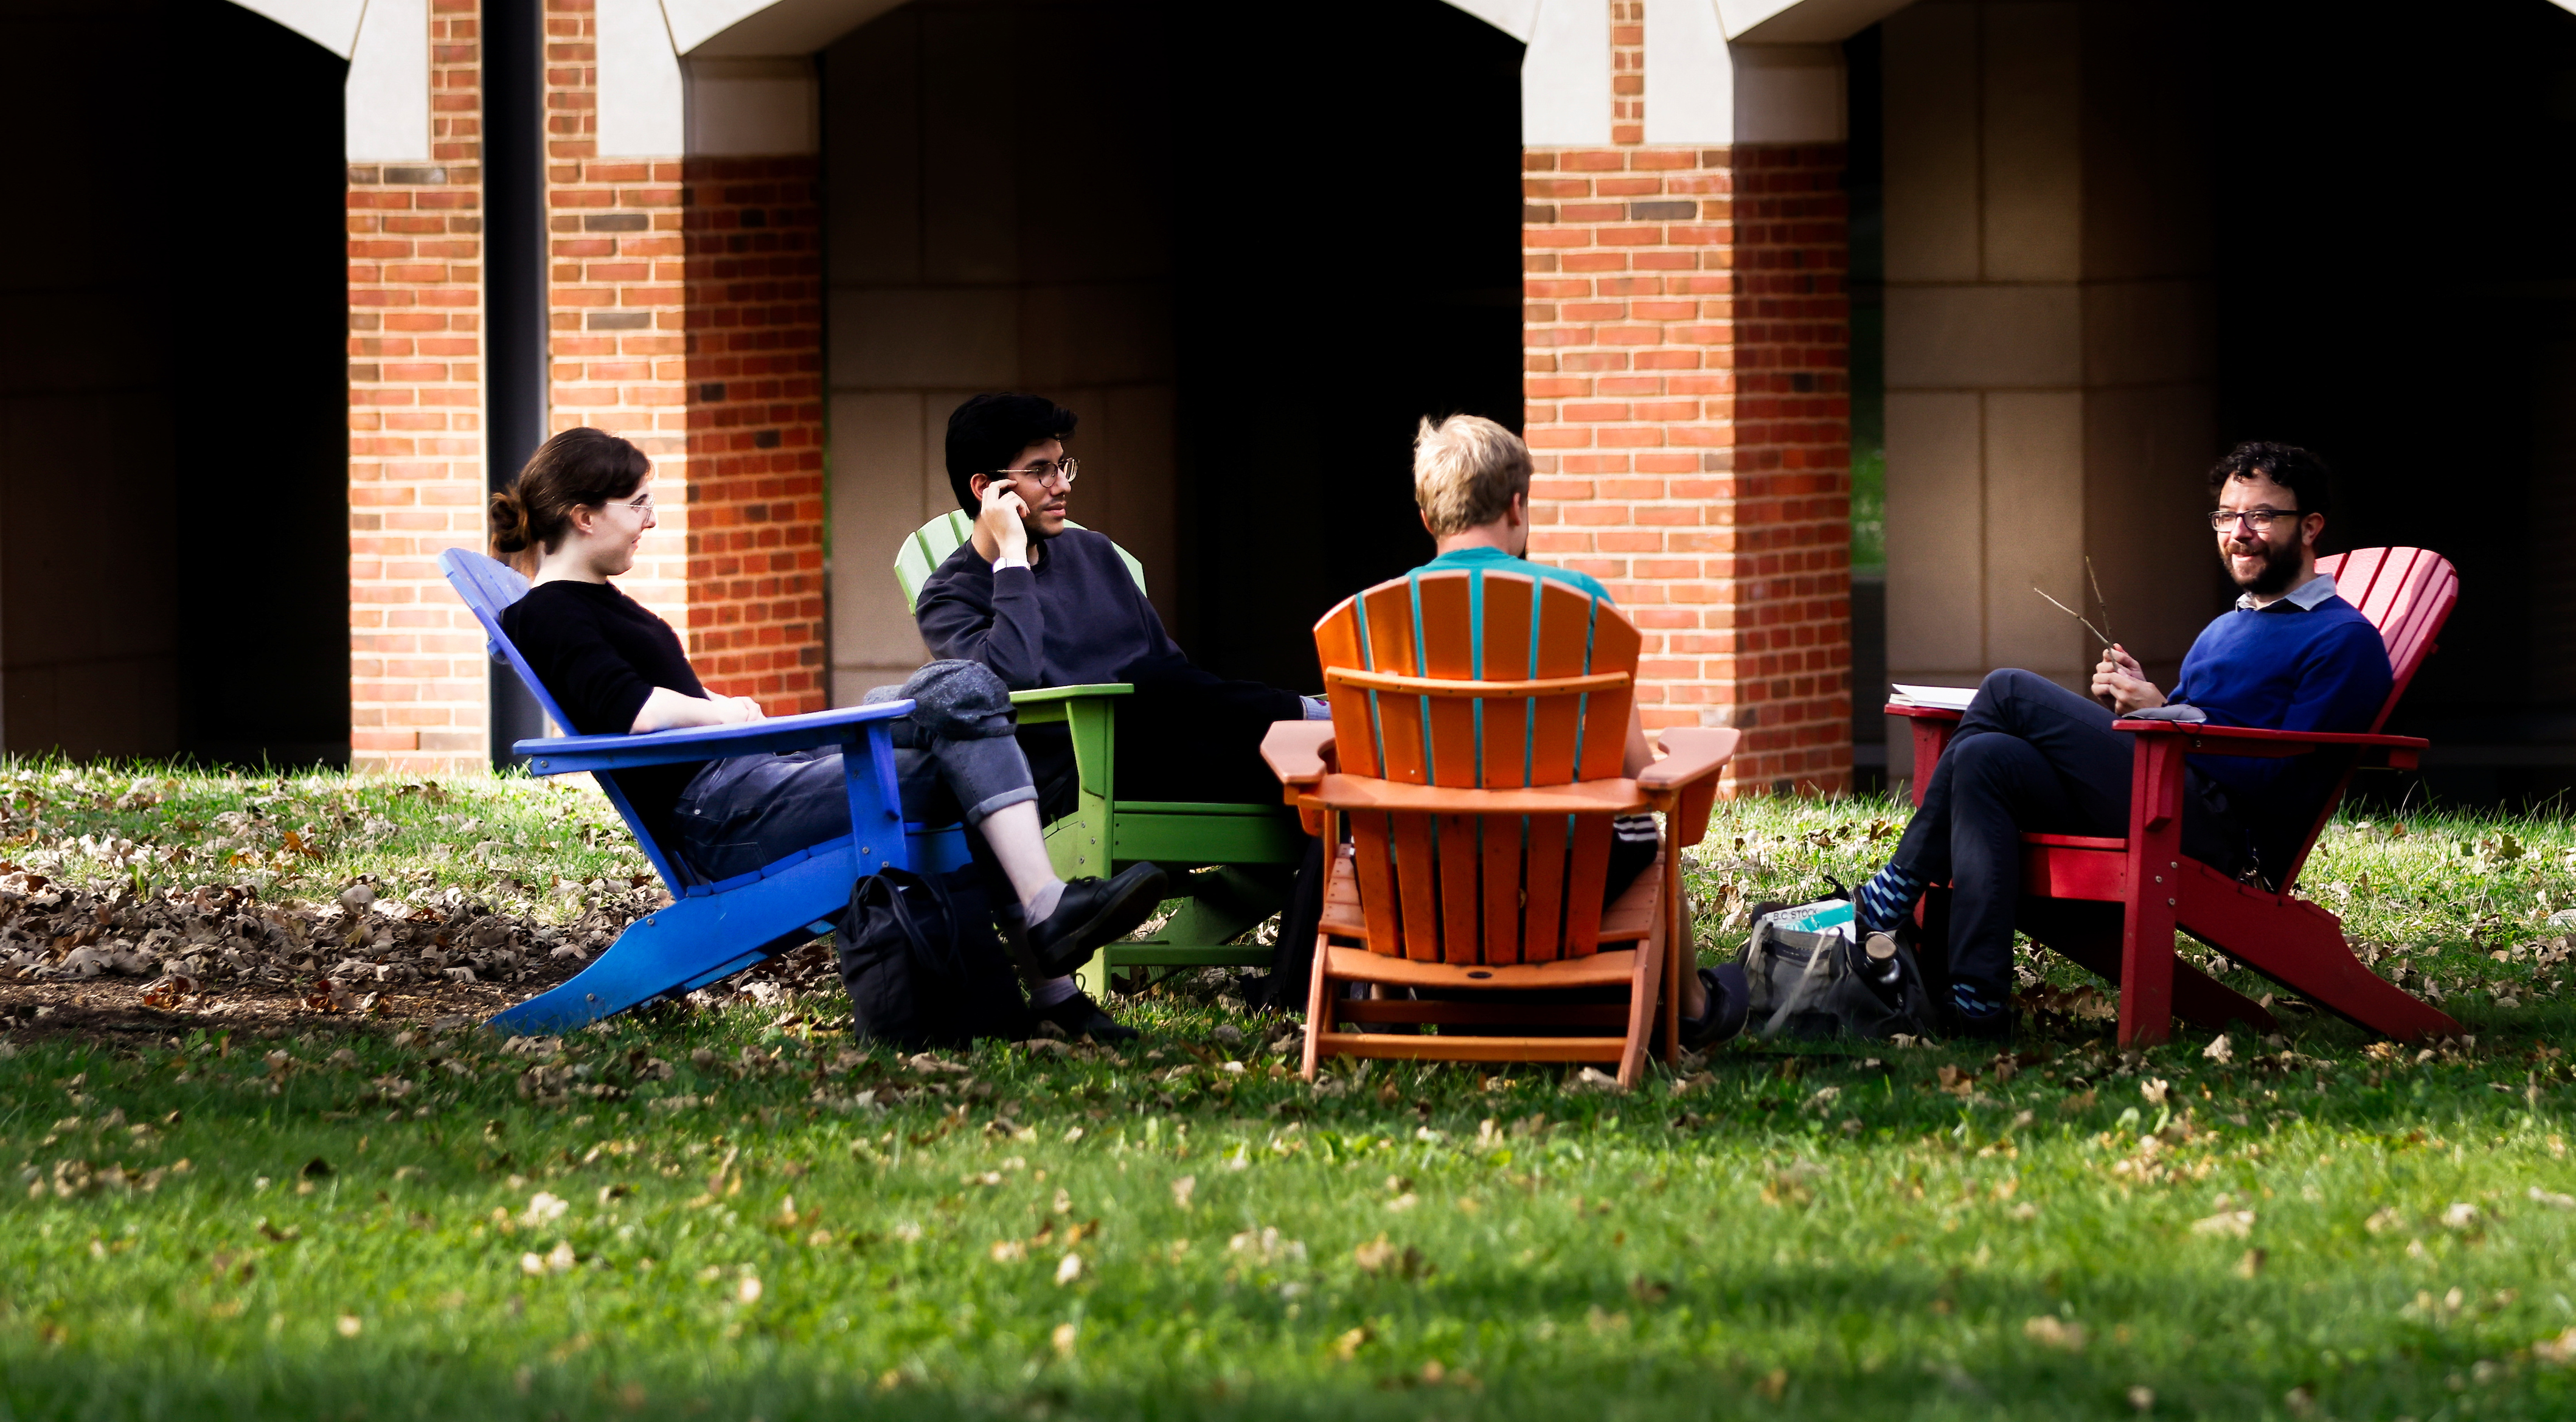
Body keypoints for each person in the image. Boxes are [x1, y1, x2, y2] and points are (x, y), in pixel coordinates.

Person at [489, 426, 1170, 1040]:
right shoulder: (550, 612)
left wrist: (727, 714)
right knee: (964, 723)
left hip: (752, 779)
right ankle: (1050, 942)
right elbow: (630, 709)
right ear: (583, 515)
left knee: (955, 693)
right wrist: (726, 711)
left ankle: (1050, 935)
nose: (652, 519)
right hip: (722, 811)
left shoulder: (588, 603)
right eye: (637, 504)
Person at [1845, 440, 2394, 1039]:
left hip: (2224, 834)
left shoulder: (2345, 641)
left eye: (2261, 515)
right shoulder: (2227, 628)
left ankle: (1888, 895)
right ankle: (1978, 1001)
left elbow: (2283, 782)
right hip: (2164, 797)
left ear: (2310, 526)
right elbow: (2188, 728)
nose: (2240, 531)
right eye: (2226, 515)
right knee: (1985, 756)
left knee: (2006, 689)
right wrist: (2152, 704)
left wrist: (2170, 713)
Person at [911, 393, 1328, 1012]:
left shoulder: (1096, 555)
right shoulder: (949, 596)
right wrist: (1011, 563)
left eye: (1064, 465)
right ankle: (1320, 712)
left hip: (1173, 748)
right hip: (1078, 773)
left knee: (1334, 786)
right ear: (986, 488)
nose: (1061, 485)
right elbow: (1008, 679)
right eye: (1041, 470)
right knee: (1156, 687)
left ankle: (1292, 988)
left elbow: (1178, 677)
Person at [1395, 414, 1749, 1047]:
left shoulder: (1381, 613)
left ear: (1428, 518)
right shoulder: (1578, 599)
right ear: (1518, 505)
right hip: (1571, 868)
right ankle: (1691, 1006)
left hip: (1422, 869)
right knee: (1649, 833)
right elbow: (1637, 765)